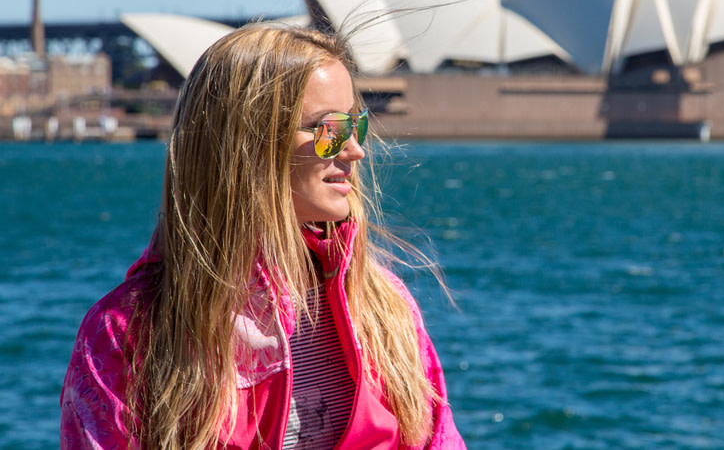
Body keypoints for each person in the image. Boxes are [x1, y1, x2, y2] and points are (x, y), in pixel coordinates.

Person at [60, 22, 465, 449]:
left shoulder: (386, 311)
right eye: (329, 130)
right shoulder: (129, 335)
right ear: (246, 145)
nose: (354, 150)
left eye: (355, 126)